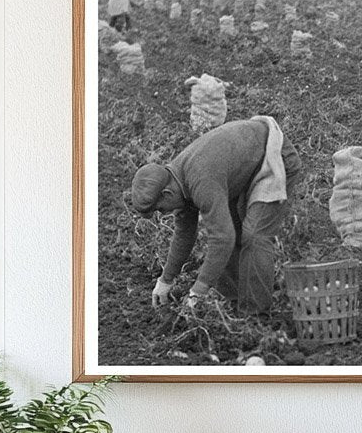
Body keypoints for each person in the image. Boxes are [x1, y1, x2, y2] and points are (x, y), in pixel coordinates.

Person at [130, 116, 303, 315]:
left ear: (167, 193)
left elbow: (222, 239)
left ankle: (256, 316)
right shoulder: (178, 180)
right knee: (230, 229)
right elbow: (184, 234)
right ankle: (232, 305)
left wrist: (198, 290)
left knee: (254, 235)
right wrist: (165, 280)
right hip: (245, 163)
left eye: (161, 209)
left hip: (274, 156)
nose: (166, 214)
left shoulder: (201, 180)